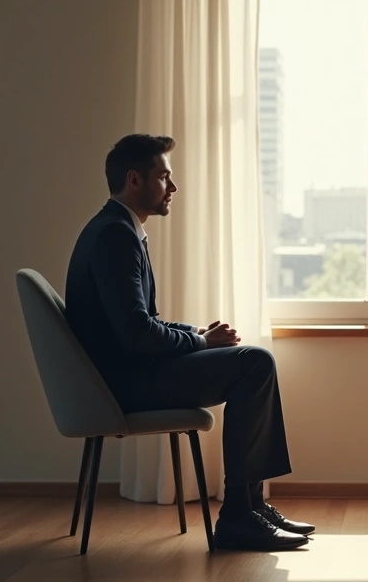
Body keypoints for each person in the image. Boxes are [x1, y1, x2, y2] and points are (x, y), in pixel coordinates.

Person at [64, 133, 312, 551]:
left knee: (251, 361)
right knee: (255, 363)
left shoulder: (116, 228)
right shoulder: (114, 236)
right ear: (135, 180)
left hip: (130, 373)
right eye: (165, 177)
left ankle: (249, 506)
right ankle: (239, 515)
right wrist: (201, 344)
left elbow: (144, 322)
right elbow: (137, 333)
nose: (173, 188)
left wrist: (198, 335)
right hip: (125, 385)